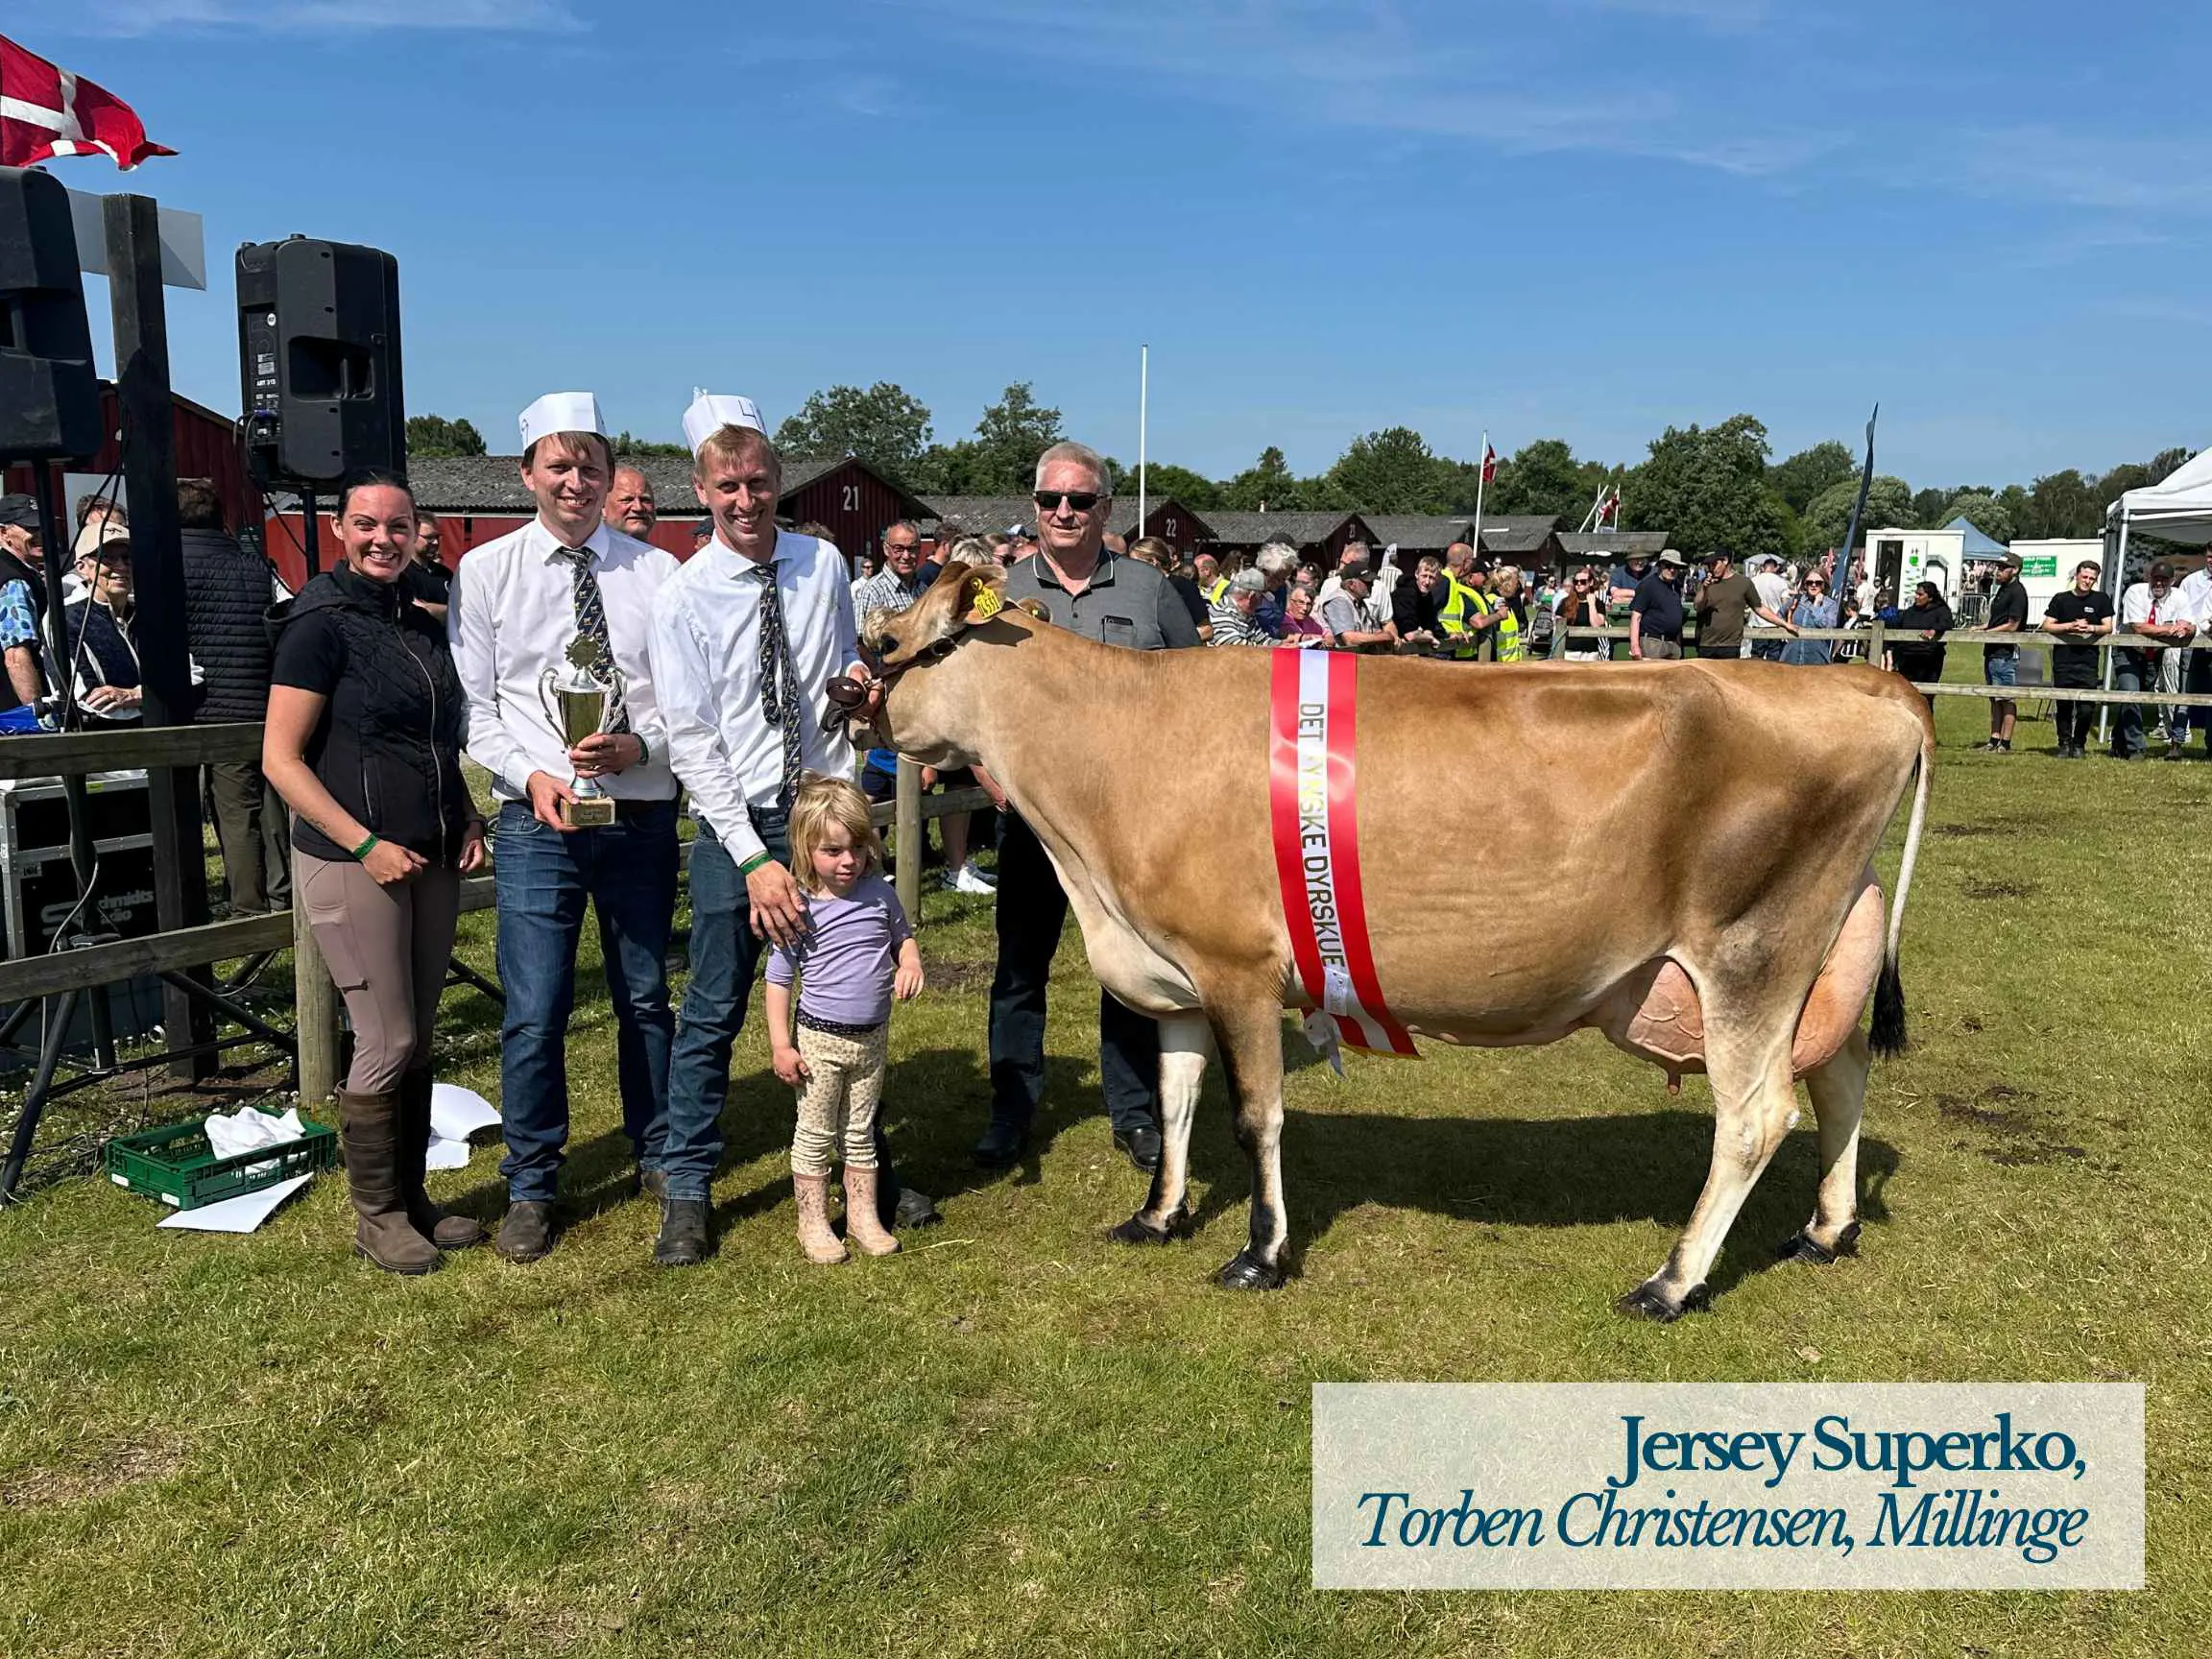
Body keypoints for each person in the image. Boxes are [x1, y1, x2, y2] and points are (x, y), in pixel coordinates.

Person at [653, 399, 933, 1263]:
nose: (746, 500)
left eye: (760, 483)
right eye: (728, 486)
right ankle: (688, 1188)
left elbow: (842, 666)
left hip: (821, 805)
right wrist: (750, 858)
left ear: (780, 484)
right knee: (713, 1002)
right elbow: (693, 737)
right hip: (737, 815)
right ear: (701, 490)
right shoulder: (682, 595)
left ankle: (866, 1170)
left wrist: (854, 688)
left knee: (851, 986)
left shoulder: (819, 564)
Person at [448, 392, 682, 1266]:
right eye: (559, 464)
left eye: (588, 464)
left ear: (608, 472)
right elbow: (476, 711)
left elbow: (682, 700)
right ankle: (532, 1182)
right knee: (536, 1008)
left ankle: (657, 1151)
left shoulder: (655, 573)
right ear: (527, 477)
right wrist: (536, 775)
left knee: (645, 994)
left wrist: (641, 743)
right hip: (537, 820)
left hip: (640, 810)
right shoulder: (487, 571)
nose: (575, 480)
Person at [262, 469, 487, 1274]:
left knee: (419, 1035)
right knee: (384, 1037)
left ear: (417, 532)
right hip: (356, 860)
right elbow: (281, 760)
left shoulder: (419, 621)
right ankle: (377, 1214)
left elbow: (431, 741)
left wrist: (464, 813)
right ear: (341, 532)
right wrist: (363, 844)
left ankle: (415, 1195)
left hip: (429, 850)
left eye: (397, 526)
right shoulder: (316, 628)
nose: (382, 539)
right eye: (366, 525)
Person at [984, 440, 1198, 1173]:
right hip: (1033, 823)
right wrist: (991, 776)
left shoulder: (1148, 589)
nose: (1064, 512)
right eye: (1051, 501)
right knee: (1019, 967)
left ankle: (1133, 1112)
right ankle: (1010, 1111)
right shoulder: (998, 593)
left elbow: (1194, 688)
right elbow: (973, 698)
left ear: (1107, 508)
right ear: (1035, 508)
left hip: (1125, 828)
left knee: (1130, 969)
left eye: (1080, 500)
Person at [765, 774, 924, 1264]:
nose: (847, 860)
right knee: (814, 1134)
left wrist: (911, 961)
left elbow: (904, 938)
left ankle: (862, 1215)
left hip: (872, 1041)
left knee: (860, 1129)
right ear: (805, 847)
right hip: (818, 1041)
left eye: (856, 846)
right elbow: (777, 979)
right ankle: (811, 1221)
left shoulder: (881, 895)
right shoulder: (799, 907)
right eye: (832, 850)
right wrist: (780, 1044)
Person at [180, 478, 291, 915]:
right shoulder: (255, 564)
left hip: (207, 706)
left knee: (233, 813)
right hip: (262, 700)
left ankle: (247, 905)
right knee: (271, 805)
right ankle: (283, 894)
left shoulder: (168, 566)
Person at [2114, 559, 2195, 761]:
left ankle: (2118, 742)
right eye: (2156, 579)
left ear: (2172, 580)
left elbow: (2190, 625)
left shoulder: (2180, 596)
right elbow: (2139, 627)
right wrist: (2170, 629)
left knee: (2135, 698)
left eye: (2164, 580)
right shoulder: (2135, 592)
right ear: (2149, 578)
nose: (2159, 584)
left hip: (2154, 655)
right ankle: (2137, 749)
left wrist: (2185, 628)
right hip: (2129, 650)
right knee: (2130, 693)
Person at [2041, 560, 2113, 759]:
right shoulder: (2061, 599)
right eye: (2085, 577)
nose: (2087, 581)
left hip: (2088, 660)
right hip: (2063, 659)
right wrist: (2070, 626)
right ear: (2077, 576)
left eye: (2092, 578)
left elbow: (2108, 627)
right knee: (2063, 705)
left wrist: (2091, 628)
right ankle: (2064, 743)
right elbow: (2048, 625)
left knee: (2086, 708)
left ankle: (2079, 743)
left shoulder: (2101, 599)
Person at [0, 494, 52, 716]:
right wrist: (36, 715)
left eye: (43, 525)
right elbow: (16, 657)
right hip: (12, 712)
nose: (41, 533)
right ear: (3, 533)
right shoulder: (14, 582)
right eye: (30, 527)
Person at [1694, 551, 1793, 659]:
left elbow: (1759, 608)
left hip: (1731, 646)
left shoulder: (1744, 583)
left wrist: (1785, 624)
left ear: (1725, 561)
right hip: (1706, 644)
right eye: (1708, 565)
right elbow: (1697, 606)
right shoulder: (1705, 582)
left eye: (1714, 564)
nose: (1711, 568)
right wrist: (1704, 588)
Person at [1978, 551, 2029, 754]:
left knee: (2007, 697)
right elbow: (1997, 621)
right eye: (1997, 568)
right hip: (1992, 650)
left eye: (2002, 568)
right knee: (1994, 697)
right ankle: (1994, 738)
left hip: (2005, 652)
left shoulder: (2017, 592)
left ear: (2014, 570)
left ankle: (2005, 742)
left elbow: (2013, 624)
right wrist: (1982, 628)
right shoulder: (2002, 590)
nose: (1997, 572)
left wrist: (1989, 632)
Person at [1885, 580, 1953, 710]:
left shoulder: (1941, 611)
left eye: (1920, 595)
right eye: (1916, 594)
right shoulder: (1910, 612)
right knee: (1905, 694)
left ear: (1930, 597)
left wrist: (1934, 630)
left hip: (1929, 659)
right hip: (1907, 658)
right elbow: (1897, 626)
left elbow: (1946, 623)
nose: (1916, 597)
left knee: (1925, 697)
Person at [1628, 549, 1689, 660]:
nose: (1672, 570)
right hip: (1653, 643)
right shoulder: (1648, 585)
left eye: (1676, 567)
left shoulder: (1676, 587)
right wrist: (1634, 646)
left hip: (1673, 644)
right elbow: (1636, 616)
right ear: (1660, 565)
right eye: (1668, 566)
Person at [1779, 572, 1839, 665]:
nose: (1814, 585)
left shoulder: (1830, 604)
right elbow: (1779, 615)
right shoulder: (1796, 600)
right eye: (1809, 582)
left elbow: (1828, 627)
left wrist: (1817, 606)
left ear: (1824, 585)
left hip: (1817, 659)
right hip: (1792, 657)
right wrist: (1784, 628)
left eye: (1818, 582)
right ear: (1805, 585)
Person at [1208, 567, 1275, 646]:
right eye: (1261, 598)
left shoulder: (1247, 615)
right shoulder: (1221, 612)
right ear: (1251, 596)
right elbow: (1235, 647)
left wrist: (1283, 644)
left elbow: (1262, 639)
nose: (1260, 603)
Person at [1391, 555, 1446, 652]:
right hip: (1392, 648)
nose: (1427, 582)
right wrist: (1430, 638)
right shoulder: (1406, 593)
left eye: (1432, 578)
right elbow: (1410, 635)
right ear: (1416, 574)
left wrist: (1429, 633)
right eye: (1424, 576)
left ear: (1437, 580)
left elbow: (1428, 624)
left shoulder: (1426, 595)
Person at [1553, 565, 1606, 661]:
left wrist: (1591, 604)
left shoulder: (1598, 604)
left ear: (1590, 582)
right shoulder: (1565, 603)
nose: (1578, 584)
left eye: (1582, 582)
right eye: (1575, 581)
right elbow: (1557, 626)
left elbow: (1596, 626)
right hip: (1569, 652)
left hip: (1590, 653)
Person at [1749, 556, 1791, 661]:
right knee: (1773, 657)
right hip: (1775, 623)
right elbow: (1785, 604)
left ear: (1763, 568)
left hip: (1758, 623)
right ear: (1776, 568)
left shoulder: (1753, 581)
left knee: (1756, 657)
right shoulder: (1781, 582)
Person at [605, 463, 658, 541]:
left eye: (645, 500)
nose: (638, 508)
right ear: (602, 507)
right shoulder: (585, 552)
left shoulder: (661, 554)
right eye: (627, 500)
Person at [1488, 565, 1530, 662]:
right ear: (1507, 585)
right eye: (1516, 583)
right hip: (1498, 666)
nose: (1518, 587)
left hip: (1511, 666)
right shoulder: (1492, 602)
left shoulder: (1507, 604)